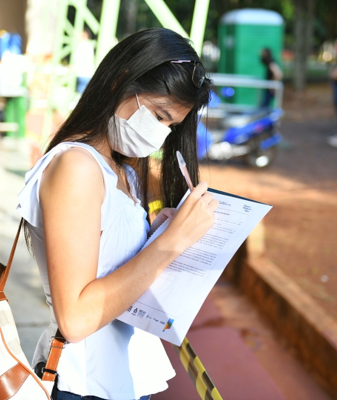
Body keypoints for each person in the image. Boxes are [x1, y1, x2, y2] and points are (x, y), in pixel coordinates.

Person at [17, 28, 216, 400]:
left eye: (171, 126)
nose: (160, 136)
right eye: (159, 115)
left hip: (120, 378)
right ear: (121, 82)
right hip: (85, 383)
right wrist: (169, 245)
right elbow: (75, 319)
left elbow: (110, 261)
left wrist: (155, 236)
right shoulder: (77, 167)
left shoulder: (122, 170)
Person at [73, 29, 96, 94]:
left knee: (81, 93)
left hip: (83, 73)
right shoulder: (88, 45)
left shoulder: (83, 45)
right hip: (86, 73)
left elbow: (78, 58)